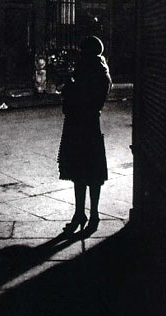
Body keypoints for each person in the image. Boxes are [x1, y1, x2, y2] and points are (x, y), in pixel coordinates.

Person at [58, 36, 112, 234]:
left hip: (79, 124)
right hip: (91, 125)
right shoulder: (101, 72)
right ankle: (93, 214)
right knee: (93, 173)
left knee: (78, 172)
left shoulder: (86, 73)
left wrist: (69, 84)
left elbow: (75, 97)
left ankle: (80, 213)